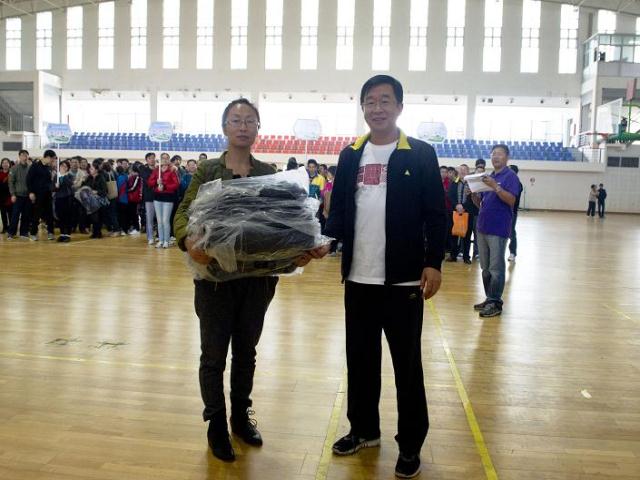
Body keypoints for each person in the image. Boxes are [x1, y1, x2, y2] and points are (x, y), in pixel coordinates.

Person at [174, 98, 327, 463]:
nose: (242, 126)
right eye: (235, 120)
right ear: (224, 127)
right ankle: (216, 425)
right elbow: (183, 213)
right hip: (215, 280)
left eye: (249, 121)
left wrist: (301, 251)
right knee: (213, 355)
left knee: (246, 352)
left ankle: (240, 418)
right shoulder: (208, 171)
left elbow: (280, 226)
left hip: (258, 281)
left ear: (258, 128)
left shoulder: (267, 172)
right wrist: (187, 241)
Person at [325, 75, 446, 479]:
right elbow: (339, 212)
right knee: (360, 361)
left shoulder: (420, 154)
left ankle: (410, 444)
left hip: (404, 282)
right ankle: (364, 430)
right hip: (359, 279)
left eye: (385, 100)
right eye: (370, 101)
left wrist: (433, 262)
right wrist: (323, 243)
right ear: (362, 107)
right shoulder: (350, 155)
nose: (377, 108)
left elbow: (437, 214)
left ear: (399, 107)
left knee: (406, 367)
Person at [471, 144, 520, 318]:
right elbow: (482, 204)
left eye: (499, 154)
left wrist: (495, 186)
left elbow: (511, 200)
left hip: (498, 228)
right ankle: (489, 298)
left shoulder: (510, 176)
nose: (495, 157)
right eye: (493, 154)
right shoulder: (489, 176)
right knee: (485, 268)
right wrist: (474, 196)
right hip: (482, 226)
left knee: (496, 268)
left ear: (507, 157)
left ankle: (495, 302)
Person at [148, 154, 179, 249]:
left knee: (165, 220)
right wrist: (156, 182)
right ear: (160, 159)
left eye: (167, 158)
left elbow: (176, 184)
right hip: (157, 197)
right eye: (163, 158)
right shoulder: (156, 170)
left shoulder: (172, 170)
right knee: (159, 221)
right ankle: (161, 240)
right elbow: (149, 183)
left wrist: (165, 186)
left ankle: (167, 240)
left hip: (168, 197)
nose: (165, 160)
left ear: (169, 159)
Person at [27, 150, 56, 241]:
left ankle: (51, 232)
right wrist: (31, 192)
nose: (53, 161)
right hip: (38, 194)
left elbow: (49, 181)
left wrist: (52, 186)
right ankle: (33, 233)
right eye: (52, 159)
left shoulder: (48, 168)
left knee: (49, 214)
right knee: (37, 214)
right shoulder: (35, 166)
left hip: (47, 194)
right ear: (47, 157)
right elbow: (28, 179)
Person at [446, 164, 471, 263]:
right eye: (461, 170)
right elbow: (450, 195)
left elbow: (472, 198)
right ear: (458, 172)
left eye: (465, 170)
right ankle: (453, 255)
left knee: (467, 235)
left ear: (468, 172)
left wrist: (464, 207)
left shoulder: (471, 183)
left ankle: (466, 257)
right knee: (454, 234)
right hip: (455, 212)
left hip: (468, 212)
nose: (463, 171)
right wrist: (456, 205)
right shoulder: (454, 182)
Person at [7, 150, 31, 239]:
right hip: (17, 196)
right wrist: (12, 194)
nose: (25, 157)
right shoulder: (14, 168)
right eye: (23, 155)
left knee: (26, 215)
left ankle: (23, 233)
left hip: (28, 196)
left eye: (26, 155)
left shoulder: (30, 168)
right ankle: (11, 233)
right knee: (15, 215)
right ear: (19, 156)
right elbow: (11, 182)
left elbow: (33, 182)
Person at [82, 163, 108, 239]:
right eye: (90, 169)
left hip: (99, 200)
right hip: (90, 200)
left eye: (92, 169)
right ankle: (95, 232)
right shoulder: (89, 178)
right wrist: (83, 181)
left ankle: (98, 232)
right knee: (93, 217)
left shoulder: (101, 178)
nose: (90, 170)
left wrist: (96, 192)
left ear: (96, 170)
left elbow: (104, 191)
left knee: (98, 217)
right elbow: (84, 186)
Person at [54, 160, 75, 242]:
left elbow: (69, 184)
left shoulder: (69, 176)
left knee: (67, 217)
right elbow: (53, 188)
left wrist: (64, 175)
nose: (63, 167)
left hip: (68, 198)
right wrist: (55, 186)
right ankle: (62, 234)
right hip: (59, 198)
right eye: (61, 166)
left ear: (67, 168)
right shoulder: (56, 176)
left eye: (65, 166)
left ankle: (67, 235)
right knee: (60, 216)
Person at [139, 152, 157, 245]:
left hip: (159, 197)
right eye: (150, 158)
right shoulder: (144, 170)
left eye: (153, 157)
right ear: (146, 160)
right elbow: (148, 180)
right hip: (149, 197)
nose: (152, 159)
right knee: (149, 218)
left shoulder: (159, 170)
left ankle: (158, 236)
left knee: (159, 219)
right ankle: (150, 237)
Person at [508, 165, 523, 262]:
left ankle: (512, 253)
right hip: (501, 212)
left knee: (511, 232)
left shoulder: (518, 184)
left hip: (512, 212)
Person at [0, 158, 11, 233]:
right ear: (1, 164)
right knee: (3, 213)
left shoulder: (12, 173)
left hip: (10, 195)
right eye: (3, 163)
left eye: (7, 163)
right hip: (1, 196)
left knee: (10, 213)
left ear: (9, 164)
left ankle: (11, 227)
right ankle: (5, 227)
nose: (5, 164)